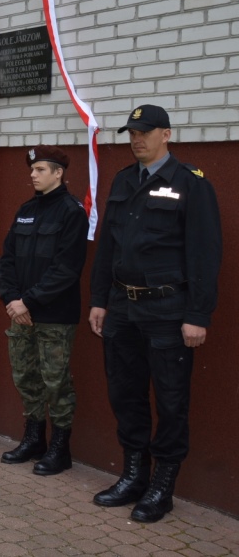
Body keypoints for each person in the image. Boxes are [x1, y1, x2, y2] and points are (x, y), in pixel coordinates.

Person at [89, 104, 221, 523]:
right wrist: (99, 299)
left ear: (166, 134)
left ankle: (162, 487)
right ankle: (134, 476)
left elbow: (205, 253)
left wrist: (198, 314)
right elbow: (108, 246)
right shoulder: (124, 179)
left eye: (144, 132)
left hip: (168, 309)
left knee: (170, 399)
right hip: (122, 306)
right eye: (131, 133)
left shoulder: (191, 183)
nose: (136, 140)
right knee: (125, 393)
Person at [0, 146, 88, 475]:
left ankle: (60, 449)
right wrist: (12, 300)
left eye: (40, 170)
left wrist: (28, 301)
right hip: (20, 314)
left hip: (54, 316)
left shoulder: (72, 212)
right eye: (32, 169)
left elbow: (66, 269)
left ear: (59, 173)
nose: (33, 174)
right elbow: (7, 260)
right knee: (26, 377)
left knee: (56, 381)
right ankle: (34, 439)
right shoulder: (26, 210)